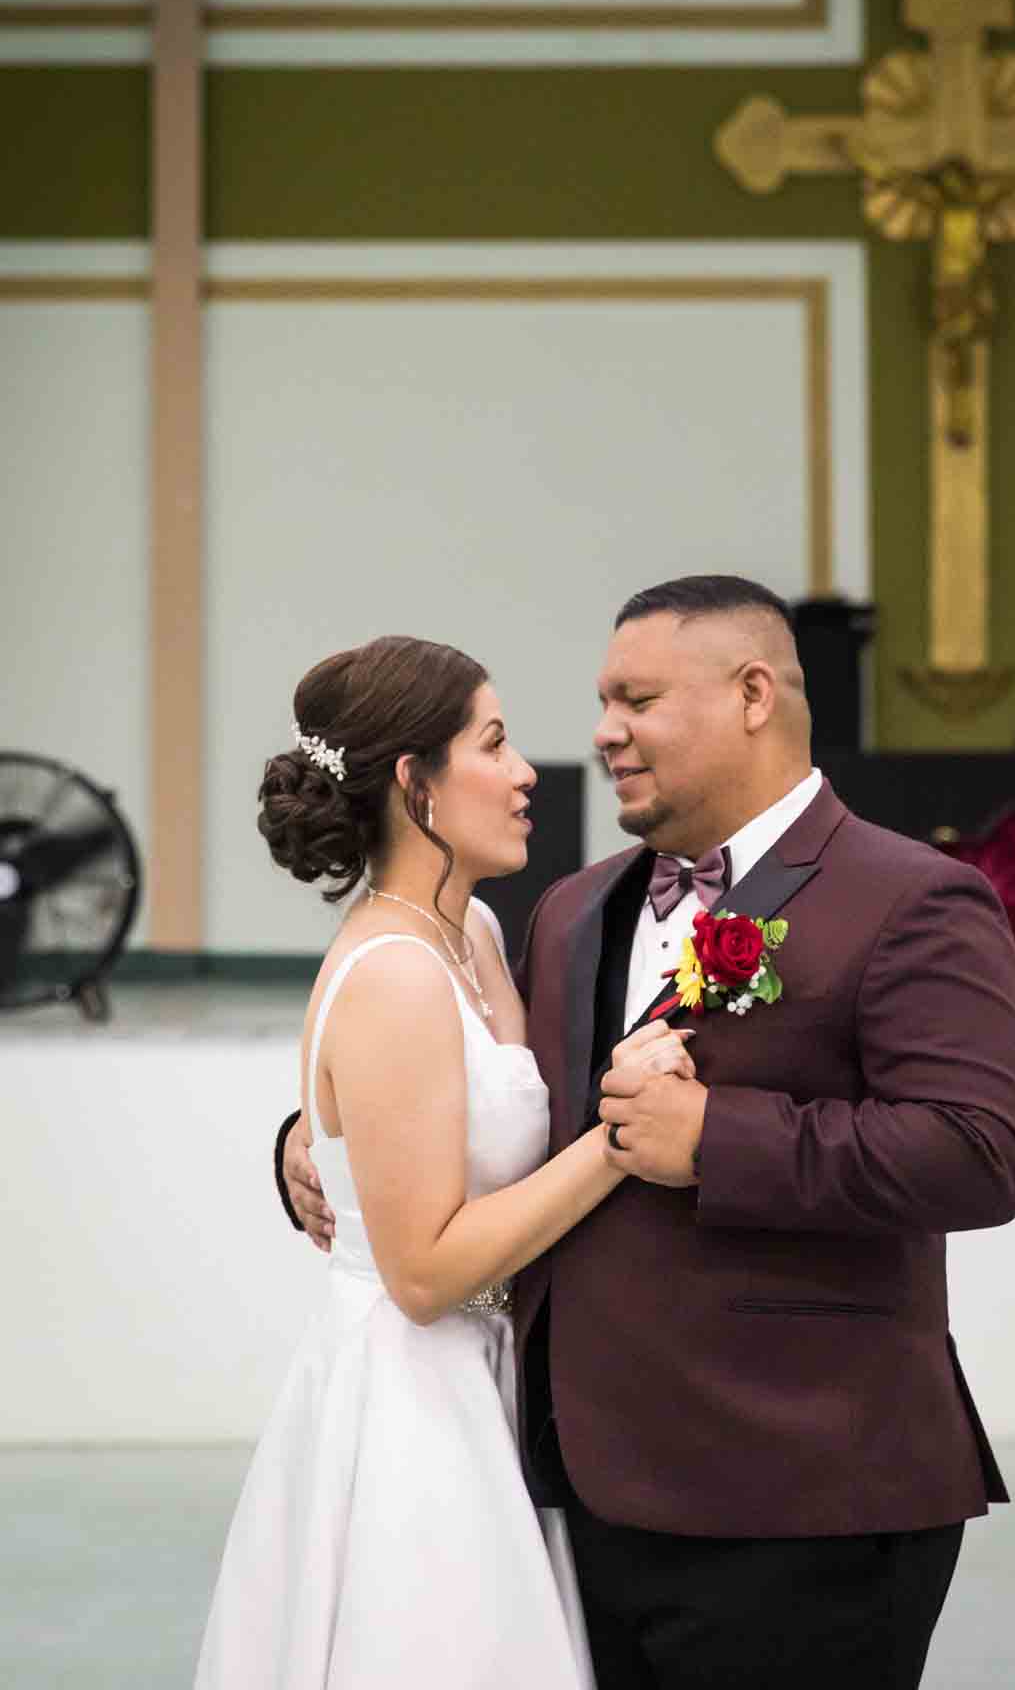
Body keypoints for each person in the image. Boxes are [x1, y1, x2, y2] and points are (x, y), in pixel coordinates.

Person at [282, 577, 1015, 1690]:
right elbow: (491, 1095)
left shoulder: (913, 897)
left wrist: (718, 1136)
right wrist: (318, 1132)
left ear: (750, 695)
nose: (600, 733)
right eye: (601, 699)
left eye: (635, 699)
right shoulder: (570, 906)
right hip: (572, 1492)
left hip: (802, 1497)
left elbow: (980, 1151)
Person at [196, 633, 692, 1689]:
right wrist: (621, 1138)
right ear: (416, 783)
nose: (524, 774)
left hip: (486, 1373)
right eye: (496, 743)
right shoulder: (393, 972)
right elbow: (422, 1273)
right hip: (410, 1407)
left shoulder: (466, 930)